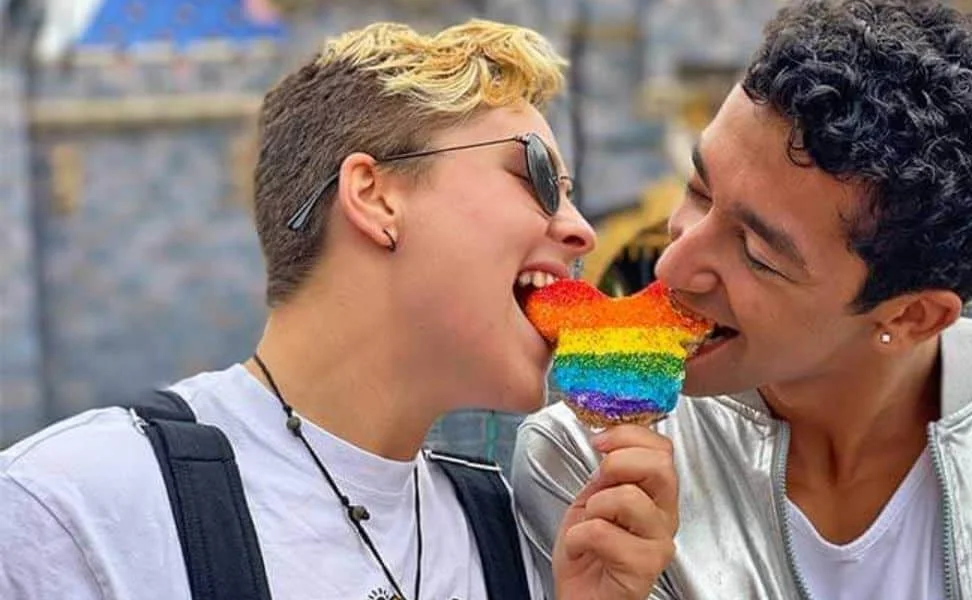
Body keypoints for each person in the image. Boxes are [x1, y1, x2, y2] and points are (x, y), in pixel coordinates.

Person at [512, 1, 972, 599]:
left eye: (756, 253)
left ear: (909, 315)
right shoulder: (585, 467)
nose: (673, 262)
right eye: (699, 189)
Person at [0, 19, 678, 600]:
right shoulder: (72, 510)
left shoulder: (525, 543)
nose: (583, 231)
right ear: (375, 196)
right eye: (536, 177)